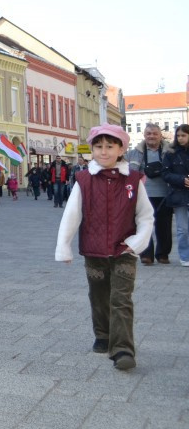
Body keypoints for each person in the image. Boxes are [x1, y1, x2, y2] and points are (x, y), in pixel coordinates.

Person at [55, 124, 154, 371]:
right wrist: (63, 246)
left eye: (110, 146)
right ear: (91, 149)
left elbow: (145, 216)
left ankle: (122, 349)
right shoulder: (84, 180)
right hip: (94, 250)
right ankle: (103, 334)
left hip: (124, 251)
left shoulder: (133, 180)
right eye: (98, 146)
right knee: (99, 297)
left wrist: (136, 243)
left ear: (121, 149)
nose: (104, 151)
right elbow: (72, 214)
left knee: (121, 299)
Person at [126, 123, 172, 265]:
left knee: (164, 226)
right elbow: (126, 172)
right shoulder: (134, 153)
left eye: (154, 134)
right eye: (148, 134)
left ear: (160, 135)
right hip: (142, 195)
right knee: (144, 226)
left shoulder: (170, 152)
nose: (151, 136)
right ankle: (146, 255)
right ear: (144, 135)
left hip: (165, 194)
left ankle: (163, 254)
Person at [161, 124, 189, 267]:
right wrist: (181, 180)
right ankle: (185, 256)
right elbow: (165, 174)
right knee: (182, 228)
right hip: (178, 194)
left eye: (183, 135)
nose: (180, 138)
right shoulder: (171, 153)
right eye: (178, 135)